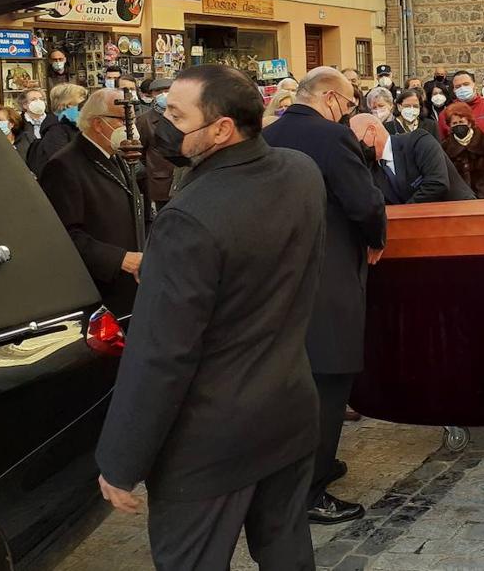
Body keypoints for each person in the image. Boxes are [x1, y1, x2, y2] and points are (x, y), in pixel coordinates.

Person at [94, 65, 325, 570]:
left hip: (208, 443)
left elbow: (160, 354)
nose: (161, 124)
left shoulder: (189, 218)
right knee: (287, 551)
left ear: (222, 129)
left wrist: (119, 460)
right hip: (286, 407)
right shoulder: (301, 171)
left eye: (176, 115)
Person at [262, 66, 387, 525]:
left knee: (293, 384)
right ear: (332, 99)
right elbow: (365, 202)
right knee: (329, 383)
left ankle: (307, 468)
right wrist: (377, 238)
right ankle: (311, 490)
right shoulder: (332, 138)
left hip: (276, 281)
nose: (348, 112)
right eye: (350, 104)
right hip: (326, 275)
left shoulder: (268, 134)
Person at [37, 88, 144, 315]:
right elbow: (64, 234)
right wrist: (119, 259)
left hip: (132, 281)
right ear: (98, 124)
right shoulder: (64, 166)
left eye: (132, 120)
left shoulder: (117, 154)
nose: (131, 128)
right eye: (123, 120)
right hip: (101, 286)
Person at [351, 112, 474, 204]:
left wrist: (404, 213)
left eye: (357, 141)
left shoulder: (418, 140)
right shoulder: (372, 168)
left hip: (458, 214)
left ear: (372, 130)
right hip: (419, 228)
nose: (356, 147)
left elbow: (437, 183)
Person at [135, 79, 179, 214]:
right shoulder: (144, 120)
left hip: (182, 179)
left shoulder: (184, 115)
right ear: (152, 94)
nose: (163, 95)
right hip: (161, 180)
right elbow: (139, 151)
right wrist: (152, 167)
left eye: (167, 91)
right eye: (158, 92)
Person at [28, 82, 86, 174]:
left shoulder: (73, 125)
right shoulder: (56, 130)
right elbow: (62, 163)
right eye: (81, 100)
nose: (85, 105)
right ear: (68, 104)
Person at [441, 101, 484, 198]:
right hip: (458, 198)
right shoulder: (445, 147)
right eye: (454, 123)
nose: (458, 125)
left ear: (469, 123)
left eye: (461, 122)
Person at [439, 69, 484, 140]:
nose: (462, 88)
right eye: (458, 87)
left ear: (475, 85)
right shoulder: (445, 114)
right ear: (454, 90)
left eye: (466, 84)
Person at [14, 88, 50, 160]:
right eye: (34, 99)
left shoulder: (54, 121)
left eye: (41, 99)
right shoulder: (18, 123)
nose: (39, 102)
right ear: (24, 105)